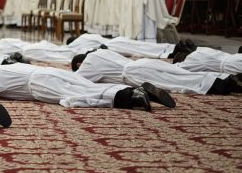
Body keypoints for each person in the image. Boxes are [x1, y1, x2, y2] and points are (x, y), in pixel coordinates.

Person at [0, 63, 174, 111]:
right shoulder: (13, 66)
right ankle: (138, 91)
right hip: (50, 72)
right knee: (87, 86)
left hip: (39, 84)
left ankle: (133, 97)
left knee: (81, 95)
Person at [73, 48, 236, 96]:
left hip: (135, 74)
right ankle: (226, 79)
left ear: (81, 62)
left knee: (179, 83)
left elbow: (77, 81)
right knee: (181, 75)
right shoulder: (101, 52)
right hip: (142, 63)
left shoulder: (89, 62)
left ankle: (222, 85)